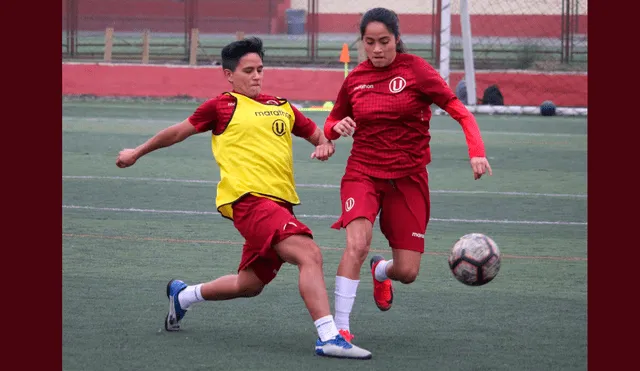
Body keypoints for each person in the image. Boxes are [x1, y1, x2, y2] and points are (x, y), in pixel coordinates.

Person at [115, 37, 371, 360]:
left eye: (260, 70)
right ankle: (329, 336)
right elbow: (178, 131)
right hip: (248, 203)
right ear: (229, 75)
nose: (256, 76)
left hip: (280, 205)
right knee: (310, 253)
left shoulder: (281, 106)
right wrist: (136, 153)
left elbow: (317, 134)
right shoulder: (221, 106)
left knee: (248, 285)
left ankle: (183, 296)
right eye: (248, 70)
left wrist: (323, 143)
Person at [323, 8, 493, 343]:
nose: (377, 49)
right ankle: (338, 329)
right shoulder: (355, 78)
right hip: (363, 173)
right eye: (369, 42)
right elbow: (331, 121)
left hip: (408, 179)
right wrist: (334, 128)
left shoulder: (416, 70)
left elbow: (459, 110)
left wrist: (476, 151)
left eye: (384, 41)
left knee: (407, 272)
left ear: (396, 39)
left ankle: (380, 270)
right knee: (357, 243)